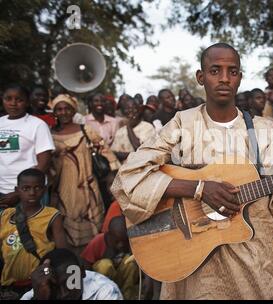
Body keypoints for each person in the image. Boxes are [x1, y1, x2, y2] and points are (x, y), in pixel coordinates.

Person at [111, 43, 273, 300]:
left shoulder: (263, 130)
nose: (224, 78)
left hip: (258, 263)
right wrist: (198, 189)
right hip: (195, 266)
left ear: (240, 77)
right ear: (201, 77)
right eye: (215, 70)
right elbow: (130, 176)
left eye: (232, 71)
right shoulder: (182, 124)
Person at [49, 94, 120, 250]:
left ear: (73, 110)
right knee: (67, 221)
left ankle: (93, 255)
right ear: (55, 112)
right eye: (59, 109)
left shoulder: (84, 129)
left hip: (87, 184)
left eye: (67, 108)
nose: (63, 112)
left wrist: (112, 175)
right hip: (63, 188)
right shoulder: (49, 134)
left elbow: (105, 150)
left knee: (92, 223)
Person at [0, 169, 67, 298]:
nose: (32, 193)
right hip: (8, 286)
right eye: (26, 188)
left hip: (37, 284)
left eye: (37, 188)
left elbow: (63, 252)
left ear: (44, 189)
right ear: (17, 190)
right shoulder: (6, 215)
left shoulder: (51, 216)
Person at [0, 85, 54, 209]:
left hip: (30, 193)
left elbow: (44, 162)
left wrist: (20, 192)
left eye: (19, 100)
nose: (13, 103)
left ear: (27, 102)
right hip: (2, 192)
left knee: (32, 228)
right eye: (8, 99)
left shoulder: (37, 125)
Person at [21, 248, 123, 300]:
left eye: (70, 283)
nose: (64, 294)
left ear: (82, 272)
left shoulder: (105, 290)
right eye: (55, 287)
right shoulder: (40, 291)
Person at [81, 216, 138, 300]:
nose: (121, 245)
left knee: (130, 263)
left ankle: (127, 296)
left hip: (120, 277)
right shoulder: (98, 241)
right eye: (117, 241)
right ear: (109, 235)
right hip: (101, 281)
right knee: (105, 265)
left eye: (124, 240)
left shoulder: (130, 242)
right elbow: (85, 264)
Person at [111, 98, 156, 162]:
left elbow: (139, 149)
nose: (131, 111)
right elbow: (115, 153)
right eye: (127, 109)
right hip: (125, 169)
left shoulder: (147, 127)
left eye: (134, 108)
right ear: (123, 113)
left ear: (139, 110)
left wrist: (129, 127)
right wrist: (134, 155)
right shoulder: (120, 132)